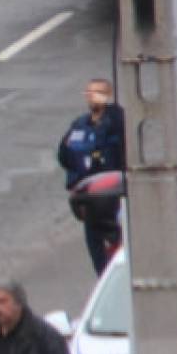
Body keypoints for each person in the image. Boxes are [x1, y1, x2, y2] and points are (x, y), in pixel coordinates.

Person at [57, 77, 127, 273]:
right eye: (90, 92)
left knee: (120, 254)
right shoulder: (80, 125)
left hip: (115, 201)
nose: (93, 97)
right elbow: (65, 155)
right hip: (91, 203)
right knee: (99, 260)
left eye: (98, 92)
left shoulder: (117, 122)